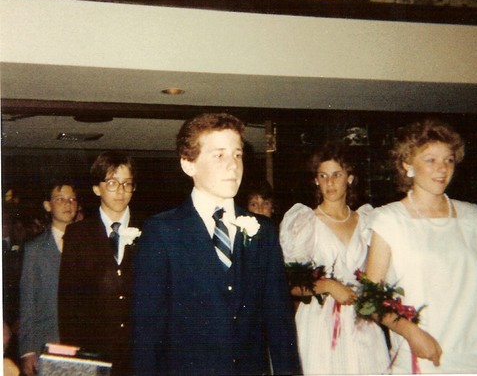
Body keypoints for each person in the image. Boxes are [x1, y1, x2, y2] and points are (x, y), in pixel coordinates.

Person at [132, 113, 301, 375]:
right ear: (189, 164)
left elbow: (280, 324)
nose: (233, 165)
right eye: (219, 155)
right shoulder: (162, 232)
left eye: (237, 154)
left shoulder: (263, 231)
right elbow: (147, 332)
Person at [366, 118, 477, 373]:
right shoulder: (389, 220)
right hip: (425, 355)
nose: (442, 168)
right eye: (430, 160)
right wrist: (410, 332)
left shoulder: (472, 217)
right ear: (407, 165)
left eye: (449, 159)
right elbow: (369, 299)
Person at [279, 141, 390, 375]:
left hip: (361, 319)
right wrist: (328, 285)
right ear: (316, 180)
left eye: (337, 174)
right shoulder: (304, 222)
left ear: (349, 178)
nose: (330, 182)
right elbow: (289, 283)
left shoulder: (366, 220)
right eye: (323, 175)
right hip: (319, 323)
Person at [58, 151, 142, 376]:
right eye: (112, 183)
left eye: (127, 184)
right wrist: (74, 361)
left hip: (139, 354)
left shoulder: (152, 230)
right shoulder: (77, 235)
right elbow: (68, 304)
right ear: (97, 188)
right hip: (94, 352)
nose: (121, 191)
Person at [19, 178, 78, 376]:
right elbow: (28, 302)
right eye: (60, 199)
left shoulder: (89, 245)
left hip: (82, 342)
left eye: (72, 199)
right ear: (48, 205)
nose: (68, 204)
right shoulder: (34, 249)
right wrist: (27, 350)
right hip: (47, 342)